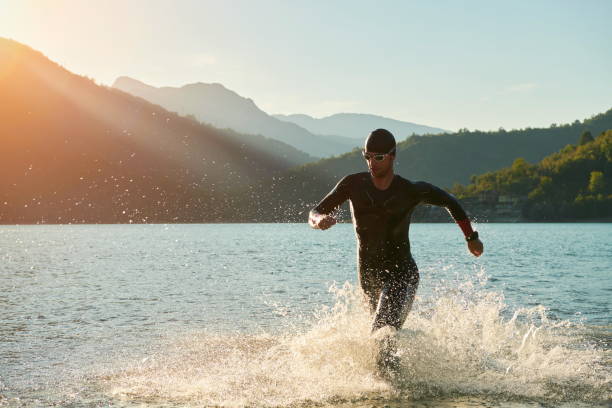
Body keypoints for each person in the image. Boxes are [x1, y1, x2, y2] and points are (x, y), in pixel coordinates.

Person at [308, 129, 483, 374]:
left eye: (378, 157)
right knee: (382, 339)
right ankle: (398, 385)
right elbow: (314, 211)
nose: (371, 163)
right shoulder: (353, 184)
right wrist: (320, 220)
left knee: (381, 333)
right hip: (368, 274)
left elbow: (450, 201)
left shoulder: (409, 190)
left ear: (392, 156)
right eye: (367, 157)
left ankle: (392, 390)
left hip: (402, 273)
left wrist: (471, 237)